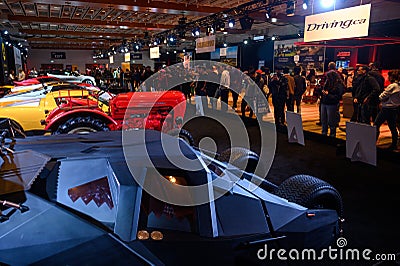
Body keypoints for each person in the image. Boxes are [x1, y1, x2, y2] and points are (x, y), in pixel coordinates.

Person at [373, 69, 400, 150]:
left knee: (376, 125)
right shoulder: (398, 86)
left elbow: (381, 96)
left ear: (391, 77)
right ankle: (394, 144)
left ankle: (373, 142)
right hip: (395, 108)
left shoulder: (392, 86)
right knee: (392, 127)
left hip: (386, 109)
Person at [320, 70, 344, 137]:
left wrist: (328, 95)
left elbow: (338, 97)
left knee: (331, 121)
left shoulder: (338, 85)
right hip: (324, 102)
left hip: (332, 104)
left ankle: (332, 135)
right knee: (323, 120)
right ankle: (323, 134)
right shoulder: (327, 83)